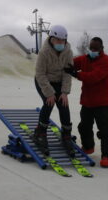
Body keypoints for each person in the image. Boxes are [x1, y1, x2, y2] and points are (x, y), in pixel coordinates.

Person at [65, 37, 108, 168]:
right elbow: (70, 62)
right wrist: (62, 61)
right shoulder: (85, 59)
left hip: (103, 102)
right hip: (87, 101)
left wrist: (76, 74)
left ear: (101, 48)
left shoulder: (106, 61)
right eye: (91, 48)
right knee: (84, 126)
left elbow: (94, 77)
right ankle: (88, 147)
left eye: (95, 48)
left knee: (104, 130)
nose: (92, 51)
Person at [33, 25, 75, 158]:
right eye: (57, 40)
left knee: (63, 104)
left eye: (62, 41)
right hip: (44, 81)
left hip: (59, 82)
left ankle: (66, 135)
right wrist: (49, 93)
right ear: (51, 39)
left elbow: (68, 73)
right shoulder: (44, 52)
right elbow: (40, 74)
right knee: (49, 102)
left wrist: (65, 92)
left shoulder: (68, 52)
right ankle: (40, 133)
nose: (60, 43)